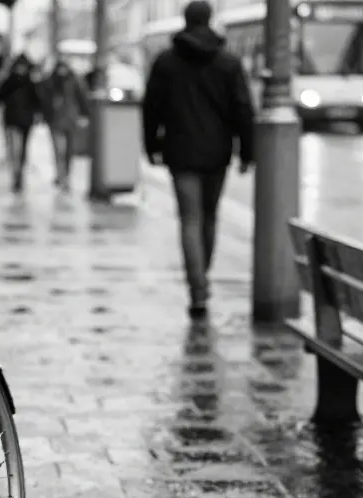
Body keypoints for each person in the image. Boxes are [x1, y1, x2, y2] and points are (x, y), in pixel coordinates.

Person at [142, 0, 254, 318]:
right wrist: (247, 151)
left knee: (189, 219)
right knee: (209, 216)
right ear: (210, 19)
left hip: (180, 152)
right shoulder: (228, 63)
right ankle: (202, 276)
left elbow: (152, 108)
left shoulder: (166, 61)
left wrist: (151, 145)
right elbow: (243, 110)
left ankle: (198, 289)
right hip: (217, 152)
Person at [0, 54, 43, 192]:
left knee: (20, 149)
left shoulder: (27, 83)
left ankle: (18, 174)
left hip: (21, 121)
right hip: (15, 121)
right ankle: (17, 174)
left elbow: (37, 101)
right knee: (16, 149)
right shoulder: (14, 82)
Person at [38, 58, 90, 190]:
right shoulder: (50, 82)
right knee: (59, 150)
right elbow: (43, 99)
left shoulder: (74, 81)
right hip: (56, 121)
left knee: (68, 151)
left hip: (70, 121)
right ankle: (61, 176)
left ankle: (65, 175)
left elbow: (82, 98)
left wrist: (84, 114)